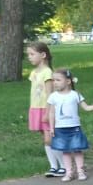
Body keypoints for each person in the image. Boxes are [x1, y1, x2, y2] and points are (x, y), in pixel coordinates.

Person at [47, 69, 93, 181]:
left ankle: (80, 171)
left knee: (77, 150)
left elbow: (86, 107)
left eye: (58, 80)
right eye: (54, 80)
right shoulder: (53, 96)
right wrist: (51, 127)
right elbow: (51, 113)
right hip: (60, 128)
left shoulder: (75, 95)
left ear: (68, 81)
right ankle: (68, 172)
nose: (55, 82)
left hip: (74, 127)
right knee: (65, 151)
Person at [25, 42, 59, 176]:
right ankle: (54, 165)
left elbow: (50, 94)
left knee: (49, 138)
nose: (29, 57)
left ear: (43, 55)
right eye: (28, 54)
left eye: (32, 54)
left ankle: (59, 165)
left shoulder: (47, 72)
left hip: (45, 108)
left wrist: (48, 110)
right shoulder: (33, 73)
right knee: (45, 137)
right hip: (35, 108)